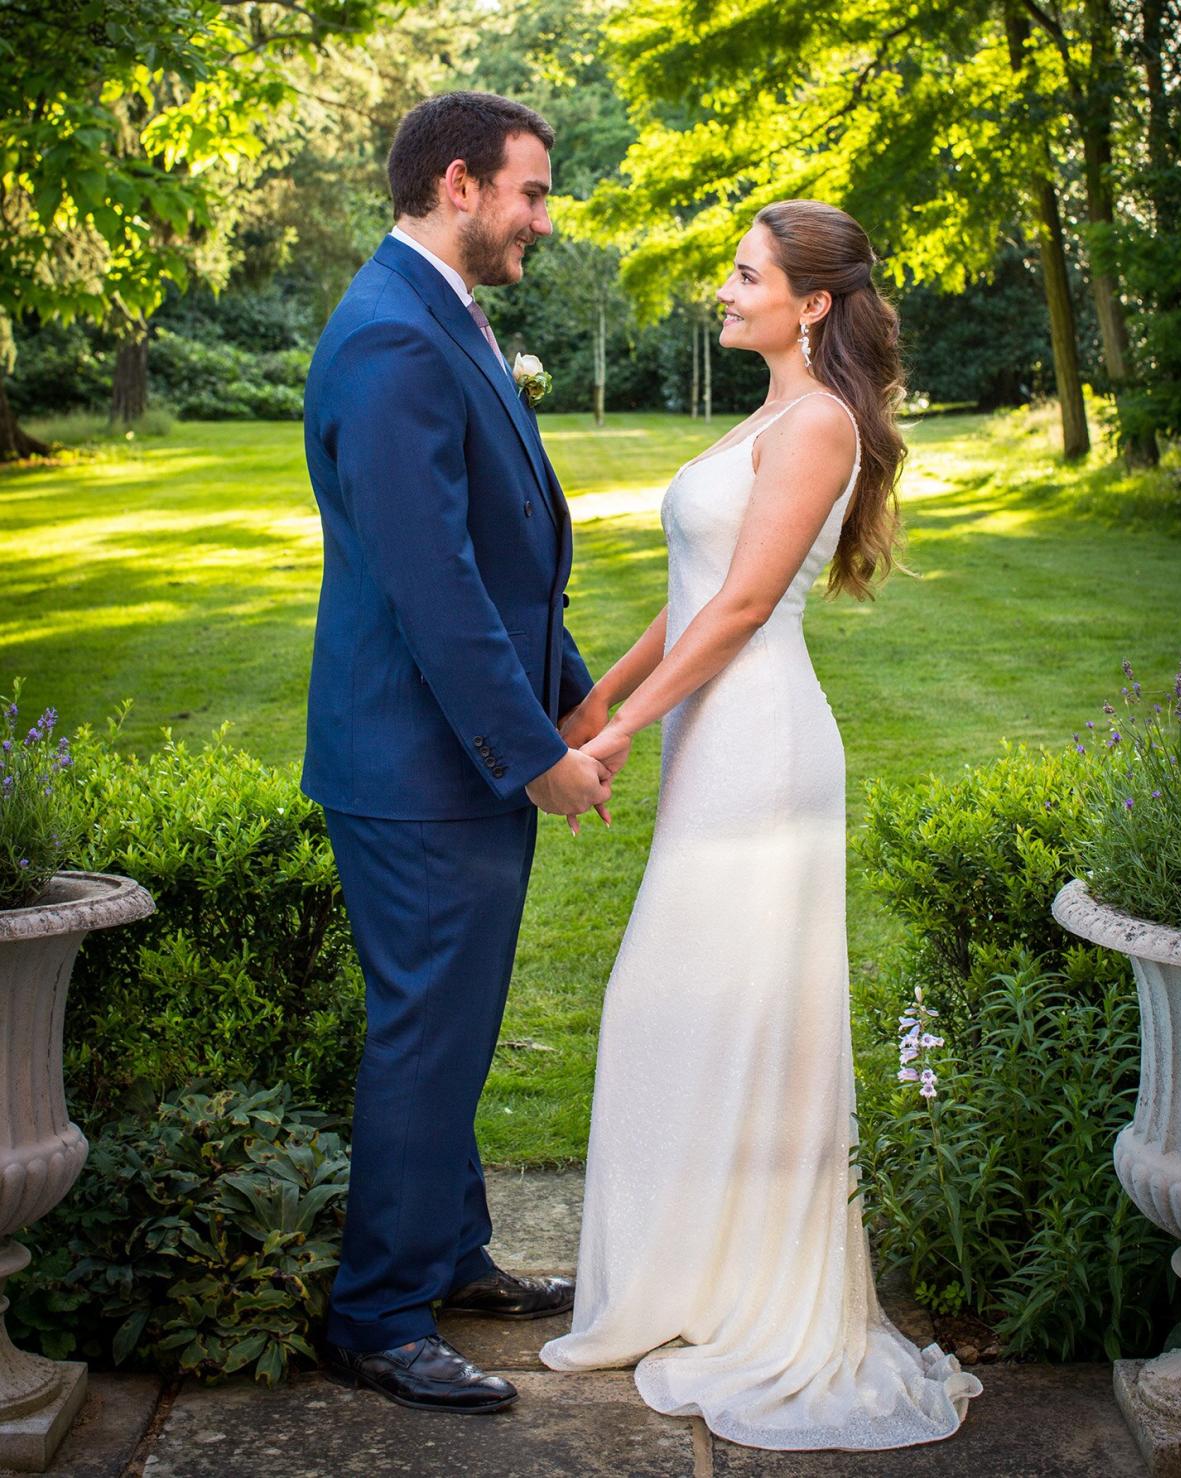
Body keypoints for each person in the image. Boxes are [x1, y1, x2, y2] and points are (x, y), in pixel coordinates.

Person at [539, 200, 983, 1450]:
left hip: (762, 748)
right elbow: (692, 599)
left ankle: (739, 1290)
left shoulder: (822, 423)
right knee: (693, 1004)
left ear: (813, 303)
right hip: (713, 738)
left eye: (746, 275)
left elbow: (739, 613)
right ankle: (693, 1276)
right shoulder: (771, 413)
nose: (724, 291)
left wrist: (621, 734)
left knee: (684, 1000)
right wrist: (597, 699)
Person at [301, 90, 612, 1415]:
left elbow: (496, 550)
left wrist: (577, 688)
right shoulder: (389, 336)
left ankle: (449, 1252)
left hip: (446, 757)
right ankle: (376, 1311)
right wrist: (533, 748)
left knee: (456, 1023)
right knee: (426, 1031)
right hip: (419, 767)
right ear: (457, 182)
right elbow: (431, 588)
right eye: (529, 192)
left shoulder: (434, 314)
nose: (542, 218)